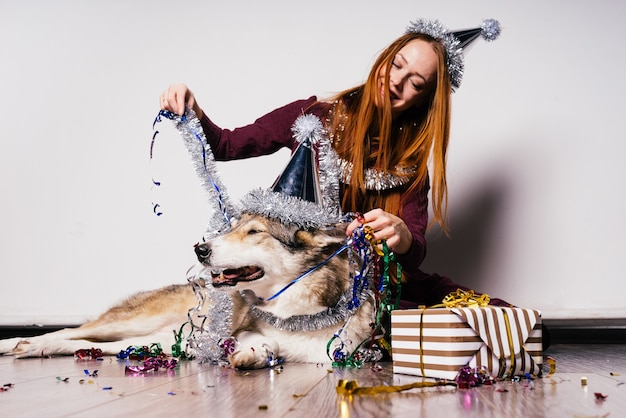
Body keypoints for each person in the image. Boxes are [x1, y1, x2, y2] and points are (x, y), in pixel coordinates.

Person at [159, 18, 510, 308]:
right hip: (300, 283)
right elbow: (224, 145)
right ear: (384, 58)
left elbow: (413, 251)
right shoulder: (311, 116)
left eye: (415, 83)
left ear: (425, 99)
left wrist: (402, 235)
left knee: (489, 311)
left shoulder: (409, 164)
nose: (396, 82)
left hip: (367, 286)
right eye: (396, 65)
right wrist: (194, 109)